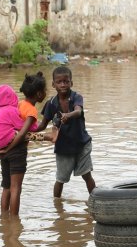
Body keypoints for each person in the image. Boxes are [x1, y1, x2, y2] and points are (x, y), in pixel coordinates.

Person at [35, 66, 96, 198]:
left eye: (66, 81)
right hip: (63, 148)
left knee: (87, 175)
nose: (63, 84)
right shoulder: (51, 103)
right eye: (59, 82)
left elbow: (78, 111)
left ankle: (95, 201)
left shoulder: (76, 97)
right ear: (53, 84)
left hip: (81, 145)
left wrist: (68, 115)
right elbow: (42, 125)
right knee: (60, 179)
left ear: (71, 83)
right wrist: (26, 130)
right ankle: (57, 206)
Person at [0, 84, 32, 216]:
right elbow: (24, 128)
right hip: (15, 152)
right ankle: (14, 222)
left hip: (2, 152)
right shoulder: (11, 111)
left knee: (6, 187)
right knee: (16, 188)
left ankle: (4, 218)